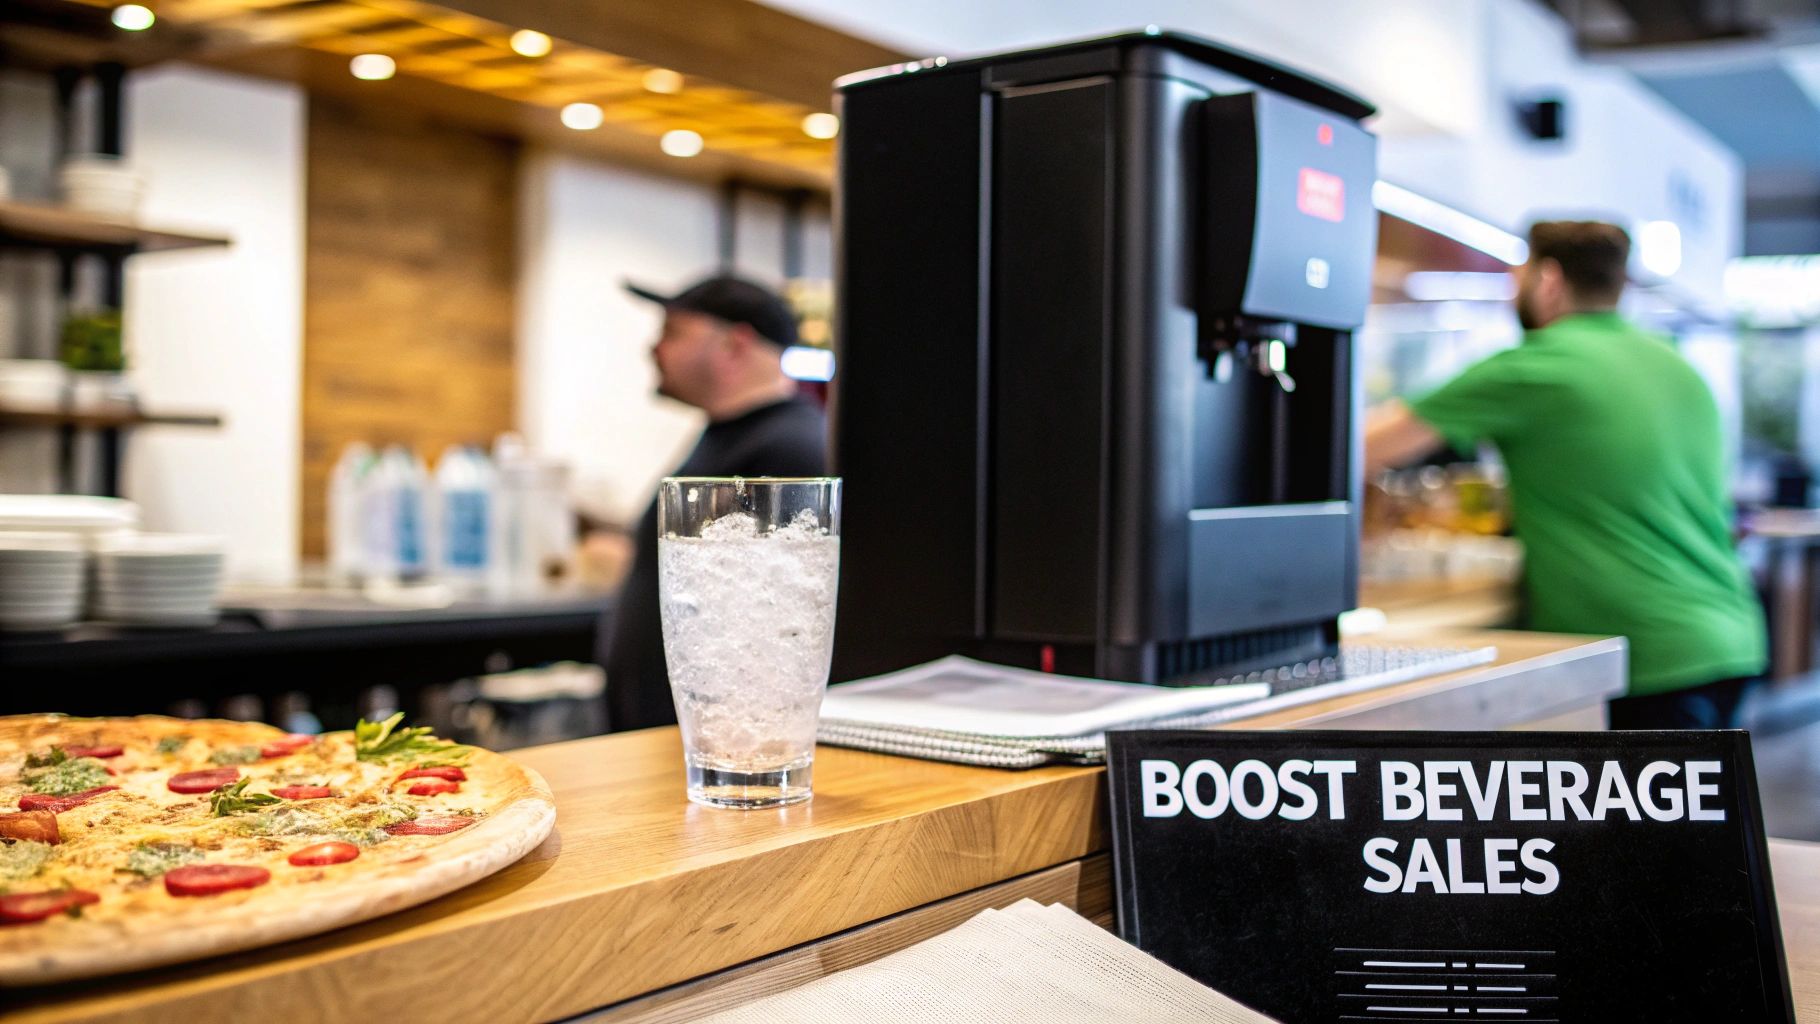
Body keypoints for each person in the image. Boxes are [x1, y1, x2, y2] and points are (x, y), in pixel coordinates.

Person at [1365, 220, 1766, 729]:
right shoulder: (1678, 365)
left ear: (1547, 280)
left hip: (1643, 651)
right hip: (1729, 631)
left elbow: (1361, 448)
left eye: (1518, 275)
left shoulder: (1537, 366)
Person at [601, 275, 826, 732]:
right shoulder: (729, 435)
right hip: (671, 739)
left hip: (719, 754)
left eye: (673, 332)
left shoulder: (787, 451)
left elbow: (769, 633)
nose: (655, 348)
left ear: (735, 343)